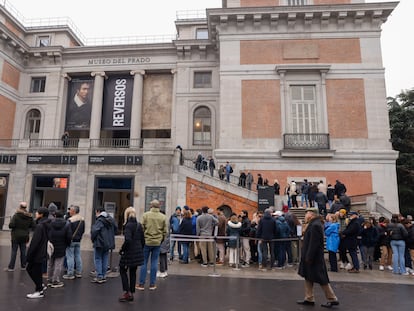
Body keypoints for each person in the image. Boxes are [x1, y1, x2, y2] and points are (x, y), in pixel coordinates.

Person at [297, 207, 339, 308]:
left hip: (313, 257)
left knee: (321, 279)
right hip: (311, 256)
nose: (305, 215)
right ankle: (309, 297)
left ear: (311, 214)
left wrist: (309, 256)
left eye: (306, 213)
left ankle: (332, 298)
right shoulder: (314, 224)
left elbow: (314, 243)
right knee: (308, 277)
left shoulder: (315, 225)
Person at [137, 199, 167, 291]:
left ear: (151, 206)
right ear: (159, 206)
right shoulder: (163, 217)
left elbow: (141, 228)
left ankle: (141, 284)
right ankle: (152, 284)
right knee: (154, 262)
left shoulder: (146, 215)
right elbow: (165, 231)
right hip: (157, 242)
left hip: (147, 241)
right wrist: (161, 239)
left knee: (144, 262)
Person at [118, 207, 144, 302]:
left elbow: (128, 239)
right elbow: (143, 240)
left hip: (129, 252)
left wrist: (122, 249)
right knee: (133, 272)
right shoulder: (139, 225)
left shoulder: (128, 226)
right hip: (137, 251)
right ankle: (131, 292)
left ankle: (127, 291)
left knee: (122, 270)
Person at [26, 207, 50, 299]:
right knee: (35, 270)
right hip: (42, 252)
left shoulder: (40, 226)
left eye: (37, 213)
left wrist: (29, 255)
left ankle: (39, 290)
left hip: (37, 252)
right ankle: (40, 285)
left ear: (41, 214)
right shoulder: (46, 224)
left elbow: (35, 242)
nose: (35, 214)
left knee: (33, 270)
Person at [5, 202, 35, 272]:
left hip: (15, 236)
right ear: (26, 207)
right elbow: (33, 225)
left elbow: (11, 225)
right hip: (25, 236)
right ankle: (23, 266)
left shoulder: (16, 215)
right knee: (23, 251)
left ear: (20, 206)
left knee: (14, 251)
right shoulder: (29, 216)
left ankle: (11, 267)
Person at [90, 206, 117, 284]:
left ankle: (99, 276)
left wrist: (93, 239)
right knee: (105, 258)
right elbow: (116, 229)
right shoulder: (111, 219)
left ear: (98, 211)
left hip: (100, 242)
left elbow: (95, 231)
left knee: (98, 259)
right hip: (108, 243)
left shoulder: (99, 220)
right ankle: (104, 275)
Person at [47, 210, 72, 288]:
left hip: (52, 244)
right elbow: (69, 236)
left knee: (50, 263)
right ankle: (55, 280)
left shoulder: (50, 223)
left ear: (55, 216)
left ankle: (50, 278)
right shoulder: (67, 224)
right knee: (58, 264)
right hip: (62, 245)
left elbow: (48, 233)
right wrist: (67, 244)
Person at [63, 205, 85, 280]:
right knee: (78, 256)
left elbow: (67, 231)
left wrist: (66, 240)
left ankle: (70, 273)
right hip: (78, 240)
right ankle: (79, 272)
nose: (69, 211)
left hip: (71, 240)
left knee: (70, 257)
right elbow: (83, 230)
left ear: (74, 211)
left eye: (70, 210)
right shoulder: (82, 219)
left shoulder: (70, 220)